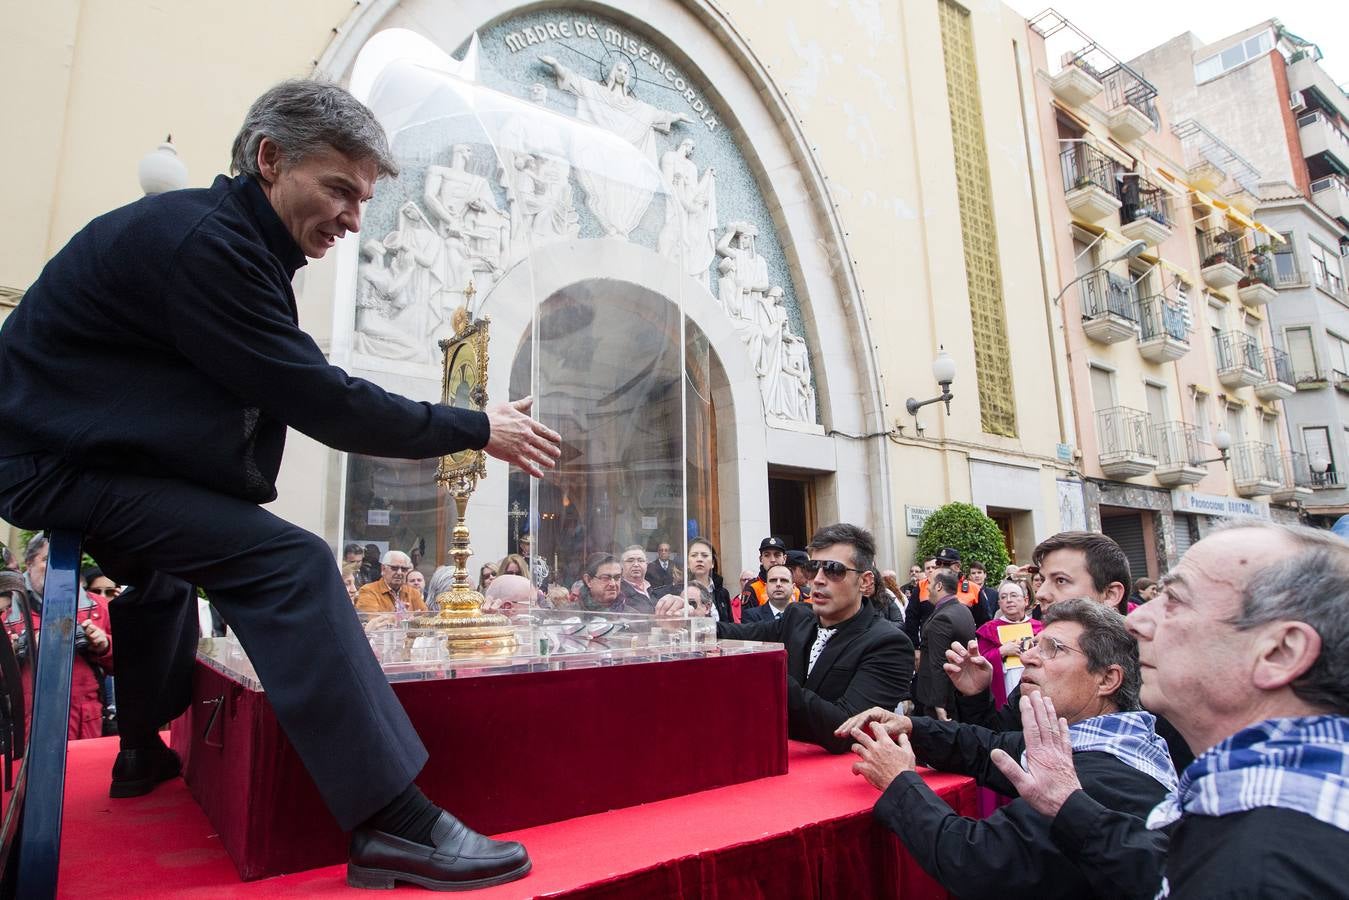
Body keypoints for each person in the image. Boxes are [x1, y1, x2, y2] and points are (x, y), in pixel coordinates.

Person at [0, 80, 563, 891]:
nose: (354, 218)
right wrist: (474, 427)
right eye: (339, 190)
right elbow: (319, 399)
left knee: (166, 573)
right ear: (269, 158)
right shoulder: (208, 247)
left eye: (362, 198)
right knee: (289, 564)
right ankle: (392, 824)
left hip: (81, 454)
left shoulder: (224, 239)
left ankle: (139, 752)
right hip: (55, 464)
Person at [991, 521, 1349, 899]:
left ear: (1281, 652)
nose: (1137, 620)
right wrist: (1070, 809)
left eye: (1175, 600)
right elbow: (1159, 870)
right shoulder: (1257, 812)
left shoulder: (1266, 869)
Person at [841, 600, 1176, 900]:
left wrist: (900, 781)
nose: (1027, 656)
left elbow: (977, 861)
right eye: (1034, 644)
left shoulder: (1101, 779)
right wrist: (911, 728)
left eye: (1053, 649)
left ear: (1106, 679)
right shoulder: (1086, 741)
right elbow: (989, 747)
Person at [946, 530, 1192, 773]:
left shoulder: (1164, 678)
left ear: (1110, 594)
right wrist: (975, 696)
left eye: (1060, 580)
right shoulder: (1041, 664)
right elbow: (997, 743)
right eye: (1043, 579)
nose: (1041, 593)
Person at [662, 523, 913, 753]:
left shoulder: (889, 644)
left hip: (844, 775)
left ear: (865, 581)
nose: (818, 580)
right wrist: (687, 623)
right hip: (775, 759)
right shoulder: (798, 616)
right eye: (813, 568)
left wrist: (766, 670)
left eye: (834, 570)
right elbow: (739, 634)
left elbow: (846, 729)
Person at [913, 569, 976, 720]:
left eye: (929, 583)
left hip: (940, 701)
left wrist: (939, 704)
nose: (927, 588)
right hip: (958, 696)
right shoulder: (963, 610)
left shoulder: (942, 618)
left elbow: (939, 663)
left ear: (939, 586)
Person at [974, 579, 1043, 709]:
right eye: (1003, 597)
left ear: (1026, 600)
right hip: (1005, 685)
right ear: (999, 604)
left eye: (1014, 595)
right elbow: (980, 661)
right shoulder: (989, 629)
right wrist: (1000, 652)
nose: (1009, 600)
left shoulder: (1040, 628)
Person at [353, 550, 427, 614]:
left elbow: (425, 619)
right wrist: (403, 617)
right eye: (394, 568)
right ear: (383, 569)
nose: (399, 572)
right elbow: (371, 620)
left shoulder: (413, 593)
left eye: (404, 569)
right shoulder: (368, 591)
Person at [683, 537, 732, 622]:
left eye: (705, 555)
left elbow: (730, 625)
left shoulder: (722, 593)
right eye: (694, 555)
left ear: (712, 563)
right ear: (687, 563)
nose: (699, 559)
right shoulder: (681, 591)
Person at [742, 536, 790, 609]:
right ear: (761, 559)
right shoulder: (752, 587)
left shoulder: (794, 588)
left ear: (784, 558)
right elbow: (748, 615)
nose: (773, 560)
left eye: (777, 555)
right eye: (767, 555)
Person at [617, 544, 656, 613]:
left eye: (640, 560)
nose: (636, 564)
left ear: (646, 564)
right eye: (630, 561)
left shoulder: (654, 587)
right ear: (621, 565)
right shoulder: (617, 591)